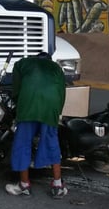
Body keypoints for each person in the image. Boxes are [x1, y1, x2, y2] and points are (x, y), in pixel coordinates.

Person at [5, 51, 68, 198]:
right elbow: (61, 93)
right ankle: (58, 186)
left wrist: (17, 100)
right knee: (52, 143)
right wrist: (56, 113)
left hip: (28, 107)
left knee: (22, 143)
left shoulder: (23, 63)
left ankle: (24, 185)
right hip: (50, 108)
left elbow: (16, 88)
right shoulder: (56, 68)